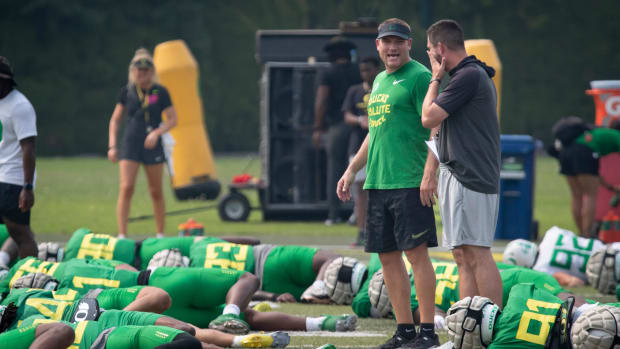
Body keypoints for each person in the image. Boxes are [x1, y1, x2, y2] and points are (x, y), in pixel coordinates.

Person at [338, 18, 440, 349]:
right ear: (378, 46)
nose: (392, 47)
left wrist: (430, 172)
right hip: (378, 182)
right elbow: (375, 131)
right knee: (387, 257)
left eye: (399, 41)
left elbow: (438, 127)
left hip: (410, 180)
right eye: (386, 42)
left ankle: (427, 332)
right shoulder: (380, 79)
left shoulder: (420, 77)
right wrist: (352, 169)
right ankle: (404, 331)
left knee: (416, 254)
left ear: (409, 44)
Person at [421, 19, 503, 309]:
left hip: (471, 176)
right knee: (462, 255)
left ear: (440, 49)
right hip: (458, 174)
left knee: (477, 253)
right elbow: (439, 126)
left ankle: (491, 324)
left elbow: (428, 117)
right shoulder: (464, 77)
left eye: (430, 49)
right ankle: (468, 324)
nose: (429, 54)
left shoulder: (468, 76)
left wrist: (434, 78)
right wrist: (431, 170)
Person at [108, 48, 178, 239]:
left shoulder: (160, 92)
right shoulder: (127, 91)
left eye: (146, 70)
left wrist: (157, 132)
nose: (142, 74)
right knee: (126, 187)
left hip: (152, 144)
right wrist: (112, 145)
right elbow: (115, 120)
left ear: (152, 71)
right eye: (139, 70)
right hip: (131, 143)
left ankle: (160, 233)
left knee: (156, 190)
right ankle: (122, 234)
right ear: (133, 71)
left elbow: (173, 119)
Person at [314, 36, 362, 225]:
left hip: (336, 125)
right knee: (358, 168)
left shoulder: (327, 73)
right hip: (358, 125)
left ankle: (333, 214)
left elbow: (321, 100)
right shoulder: (358, 71)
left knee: (334, 168)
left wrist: (317, 127)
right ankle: (357, 212)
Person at [553, 118, 620, 237]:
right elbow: (590, 172)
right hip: (584, 153)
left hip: (565, 153)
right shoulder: (616, 135)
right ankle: (587, 234)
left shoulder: (597, 133)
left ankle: (581, 233)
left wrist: (610, 187)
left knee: (577, 195)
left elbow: (593, 174)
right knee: (590, 194)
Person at [0, 56, 38, 263]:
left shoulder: (20, 106)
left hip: (13, 180)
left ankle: (30, 279)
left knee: (21, 234)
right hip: (1, 176)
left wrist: (27, 186)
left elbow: (28, 148)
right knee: (17, 230)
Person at [341, 56, 381, 246]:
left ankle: (377, 230)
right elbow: (346, 114)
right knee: (360, 192)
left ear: (376, 69)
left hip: (381, 146)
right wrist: (359, 120)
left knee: (378, 190)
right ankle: (361, 232)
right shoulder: (354, 91)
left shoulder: (384, 88)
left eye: (368, 70)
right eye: (362, 70)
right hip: (358, 145)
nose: (365, 73)